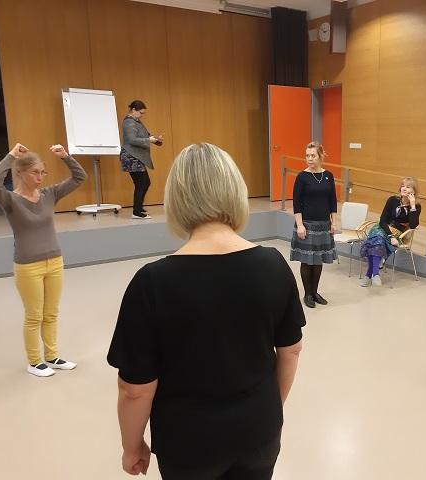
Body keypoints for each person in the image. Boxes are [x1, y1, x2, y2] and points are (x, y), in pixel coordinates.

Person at [108, 142, 305, 479]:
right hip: (259, 431)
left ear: (177, 199)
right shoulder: (273, 264)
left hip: (188, 443)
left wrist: (132, 445)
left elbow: (135, 389)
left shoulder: (152, 282)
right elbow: (291, 351)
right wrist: (268, 413)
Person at [0, 143, 86, 377]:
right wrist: (11, 156)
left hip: (54, 261)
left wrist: (65, 157)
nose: (40, 177)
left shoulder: (49, 194)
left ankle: (52, 356)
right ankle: (34, 362)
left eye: (43, 172)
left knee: (51, 313)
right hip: (27, 266)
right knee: (34, 316)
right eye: (35, 172)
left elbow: (79, 177)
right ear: (20, 172)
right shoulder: (10, 199)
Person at [290, 141, 338, 308]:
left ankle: (315, 292)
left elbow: (332, 201)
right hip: (307, 224)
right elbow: (297, 203)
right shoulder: (302, 177)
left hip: (324, 224)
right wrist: (300, 225)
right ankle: (307, 294)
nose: (309, 159)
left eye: (313, 155)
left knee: (318, 261)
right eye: (307, 156)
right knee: (307, 261)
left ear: (320, 156)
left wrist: (334, 222)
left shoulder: (328, 176)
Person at [359, 177, 421, 287]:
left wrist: (412, 205)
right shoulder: (392, 200)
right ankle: (375, 273)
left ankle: (369, 275)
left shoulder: (416, 206)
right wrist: (391, 236)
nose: (404, 188)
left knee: (377, 240)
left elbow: (413, 225)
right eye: (402, 186)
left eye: (408, 187)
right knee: (377, 237)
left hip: (399, 234)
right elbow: (383, 221)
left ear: (414, 191)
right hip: (384, 229)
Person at [120, 100, 163, 219]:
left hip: (137, 157)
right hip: (131, 156)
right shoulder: (129, 122)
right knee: (141, 183)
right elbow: (132, 140)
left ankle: (138, 207)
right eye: (141, 113)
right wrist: (149, 140)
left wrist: (157, 139)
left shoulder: (137, 121)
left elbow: (147, 136)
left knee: (144, 182)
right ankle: (136, 212)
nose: (142, 115)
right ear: (133, 110)